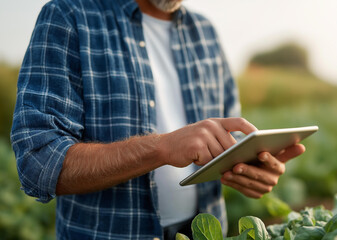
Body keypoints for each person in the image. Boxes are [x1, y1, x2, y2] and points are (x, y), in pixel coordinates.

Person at [11, 0, 305, 239]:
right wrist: (162, 147)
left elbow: (230, 140)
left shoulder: (204, 31)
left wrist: (250, 167)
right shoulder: (68, 15)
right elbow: (39, 163)